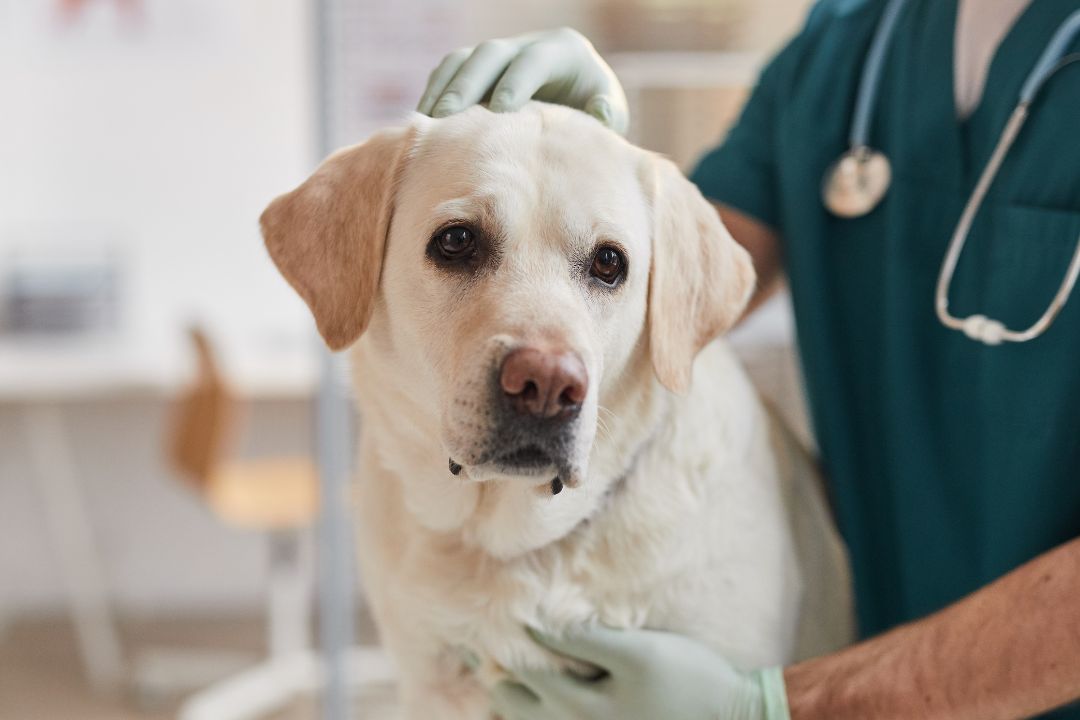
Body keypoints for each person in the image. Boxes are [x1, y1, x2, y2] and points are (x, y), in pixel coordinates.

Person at [416, 1, 1080, 718]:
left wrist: (771, 706)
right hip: (875, 632)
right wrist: (578, 169)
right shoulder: (844, 46)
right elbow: (674, 279)